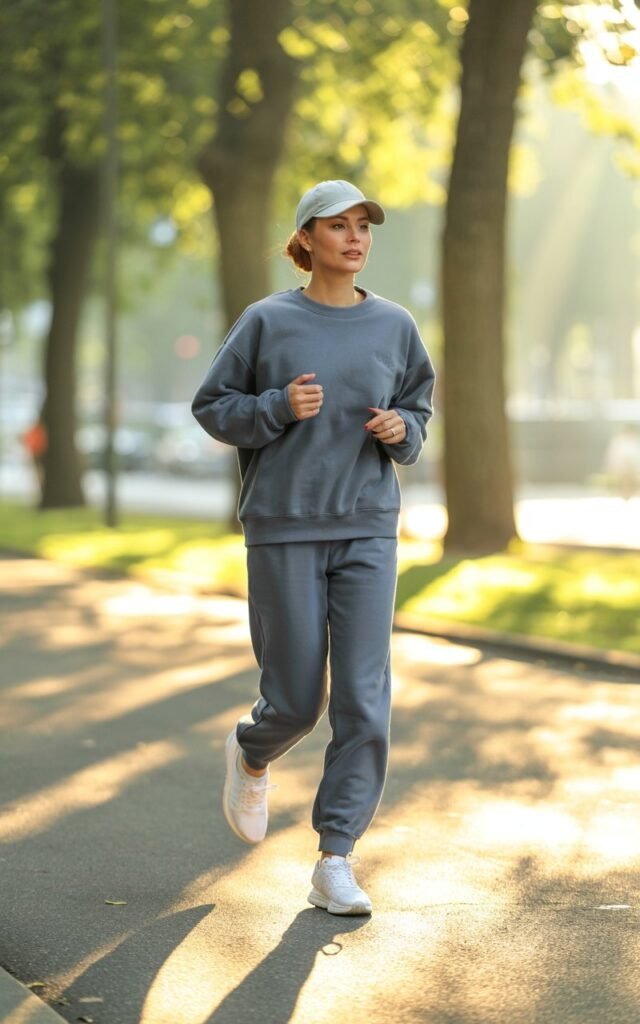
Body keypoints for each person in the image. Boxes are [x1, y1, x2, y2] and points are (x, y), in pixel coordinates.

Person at [191, 179, 436, 915]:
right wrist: (274, 407)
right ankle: (254, 748)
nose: (356, 237)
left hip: (366, 525)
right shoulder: (268, 321)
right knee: (298, 698)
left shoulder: (395, 326)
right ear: (306, 240)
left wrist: (404, 431)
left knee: (364, 700)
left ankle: (336, 856)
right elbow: (214, 406)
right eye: (339, 226)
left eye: (364, 226)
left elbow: (418, 407)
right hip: (285, 525)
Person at [603, 423, 640, 501]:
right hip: (620, 468)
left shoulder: (636, 441)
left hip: (634, 469)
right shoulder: (618, 441)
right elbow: (612, 456)